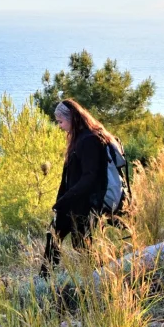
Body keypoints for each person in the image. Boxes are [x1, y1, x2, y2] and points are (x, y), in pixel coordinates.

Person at [43, 99, 117, 274]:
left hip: (85, 204)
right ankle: (46, 276)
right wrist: (61, 202)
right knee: (54, 236)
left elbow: (90, 177)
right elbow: (69, 176)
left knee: (81, 245)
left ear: (73, 118)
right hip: (72, 203)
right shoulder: (79, 139)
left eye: (61, 121)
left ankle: (103, 276)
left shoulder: (89, 140)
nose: (60, 126)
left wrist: (65, 199)